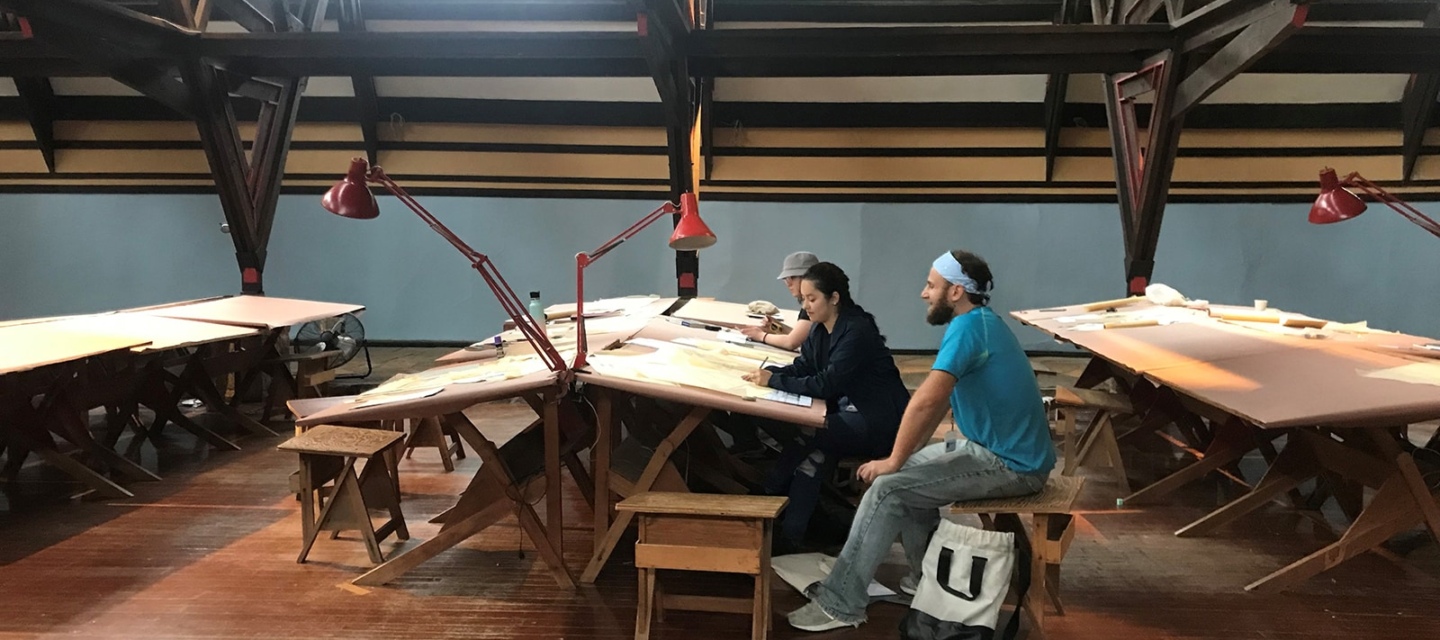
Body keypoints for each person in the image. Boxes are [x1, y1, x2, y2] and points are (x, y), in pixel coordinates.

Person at [786, 250, 1057, 632]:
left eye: (931, 285)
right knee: (904, 478)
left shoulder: (968, 329)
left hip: (1010, 464)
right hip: (994, 451)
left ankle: (840, 602)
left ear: (956, 292)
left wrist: (894, 461)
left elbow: (926, 399)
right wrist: (904, 457)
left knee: (888, 489)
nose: (923, 293)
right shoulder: (977, 323)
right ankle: (927, 579)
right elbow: (937, 402)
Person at [742, 262, 911, 554]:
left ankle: (768, 497)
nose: (805, 306)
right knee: (815, 454)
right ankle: (789, 528)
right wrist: (769, 372)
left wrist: (774, 382)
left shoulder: (857, 330)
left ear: (834, 298)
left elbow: (825, 385)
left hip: (880, 419)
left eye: (812, 299)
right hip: (851, 410)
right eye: (803, 299)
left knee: (808, 434)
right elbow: (804, 365)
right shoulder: (821, 328)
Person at [740, 251, 818, 352]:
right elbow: (803, 336)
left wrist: (760, 335)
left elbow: (791, 342)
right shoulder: (814, 302)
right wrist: (778, 328)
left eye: (791, 278)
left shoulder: (815, 304)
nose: (788, 284)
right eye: (786, 279)